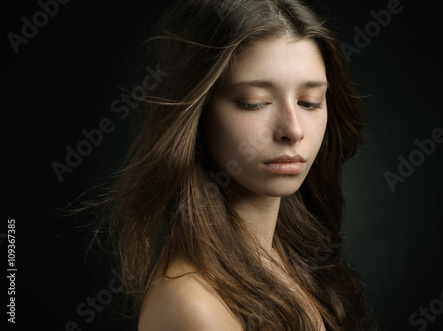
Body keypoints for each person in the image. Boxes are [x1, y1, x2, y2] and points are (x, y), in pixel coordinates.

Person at [96, 0, 377, 329]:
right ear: (197, 114)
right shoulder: (193, 307)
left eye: (308, 102)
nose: (293, 130)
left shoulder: (288, 258)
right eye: (253, 103)